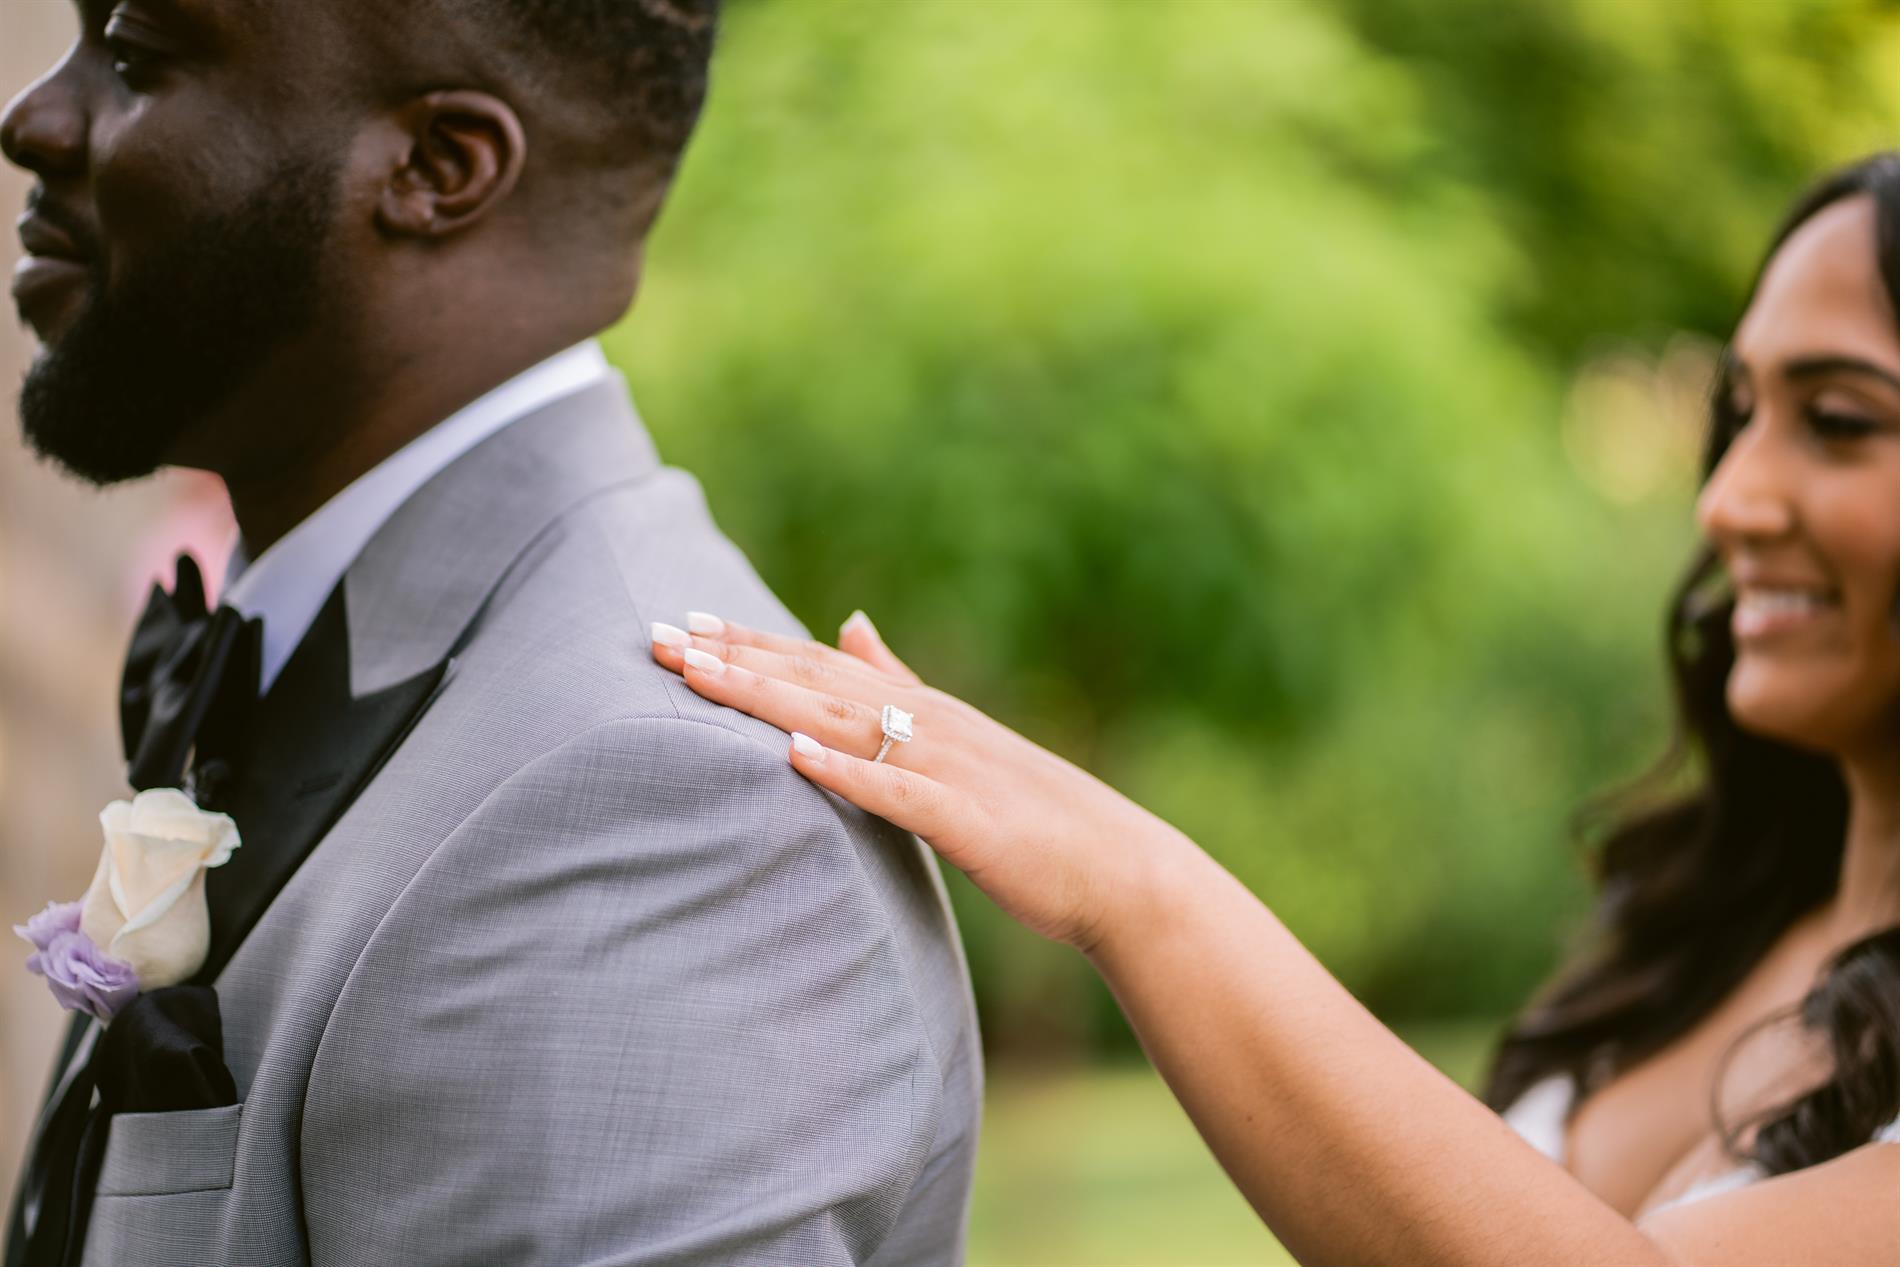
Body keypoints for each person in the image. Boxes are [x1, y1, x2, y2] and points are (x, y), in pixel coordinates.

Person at [652, 152, 1900, 1264]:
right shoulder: (1711, 921)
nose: (1728, 499)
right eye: (1740, 413)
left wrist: (1124, 879)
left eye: (1837, 421)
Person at [3, 1, 979, 1264]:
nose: (33, 118)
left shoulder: (650, 815)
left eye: (136, 57)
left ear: (436, 167)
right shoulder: (351, 646)